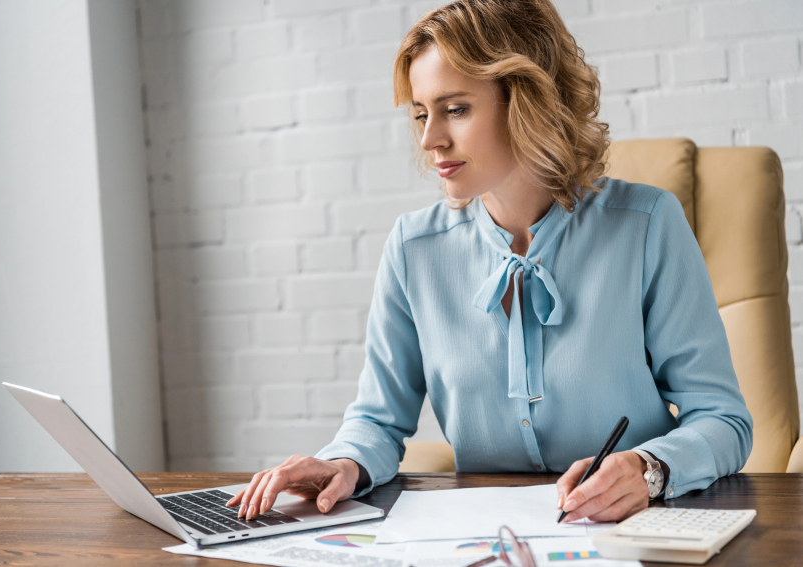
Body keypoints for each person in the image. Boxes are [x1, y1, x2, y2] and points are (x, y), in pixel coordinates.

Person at [227, 0, 753, 524]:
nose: (431, 138)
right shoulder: (415, 248)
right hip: (479, 539)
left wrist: (649, 469)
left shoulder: (646, 225)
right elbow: (377, 421)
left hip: (630, 530)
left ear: (529, 102)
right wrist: (343, 463)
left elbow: (724, 419)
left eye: (455, 109)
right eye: (420, 113)